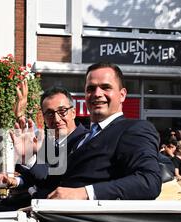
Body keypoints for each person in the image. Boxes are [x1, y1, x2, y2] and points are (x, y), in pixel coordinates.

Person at [46, 62, 161, 200]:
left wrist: (85, 193)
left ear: (122, 95)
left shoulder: (134, 129)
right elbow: (51, 178)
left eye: (106, 87)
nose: (97, 94)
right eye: (91, 88)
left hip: (83, 219)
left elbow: (149, 181)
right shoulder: (81, 138)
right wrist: (24, 165)